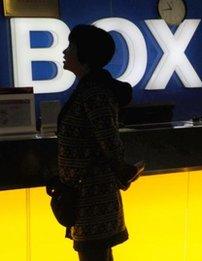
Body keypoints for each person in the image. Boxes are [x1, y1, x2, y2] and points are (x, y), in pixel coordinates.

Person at [57, 24, 136, 261]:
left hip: (92, 197)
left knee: (93, 254)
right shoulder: (92, 90)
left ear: (84, 55)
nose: (64, 52)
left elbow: (109, 141)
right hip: (90, 195)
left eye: (71, 46)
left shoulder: (94, 93)